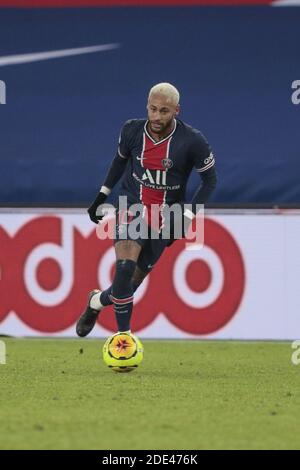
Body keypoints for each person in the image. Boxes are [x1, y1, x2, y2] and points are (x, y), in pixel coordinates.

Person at [76, 82, 217, 337]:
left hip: (166, 216)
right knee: (125, 267)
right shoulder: (131, 130)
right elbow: (119, 162)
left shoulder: (193, 141)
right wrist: (101, 196)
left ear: (177, 110)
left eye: (164, 111)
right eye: (152, 109)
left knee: (128, 286)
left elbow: (210, 180)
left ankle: (95, 302)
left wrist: (186, 216)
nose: (156, 116)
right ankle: (124, 340)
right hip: (131, 204)